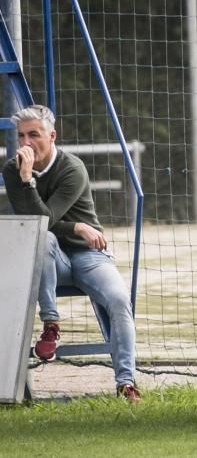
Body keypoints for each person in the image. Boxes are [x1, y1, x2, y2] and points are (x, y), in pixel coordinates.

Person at [3, 105, 141, 402]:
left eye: (34, 135)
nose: (25, 143)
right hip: (47, 255)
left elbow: (46, 217)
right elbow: (35, 225)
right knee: (46, 239)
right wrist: (77, 225)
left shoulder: (72, 168)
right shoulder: (12, 171)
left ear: (52, 136)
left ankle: (126, 383)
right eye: (21, 136)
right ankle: (51, 324)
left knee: (119, 299)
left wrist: (78, 230)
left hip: (89, 255)